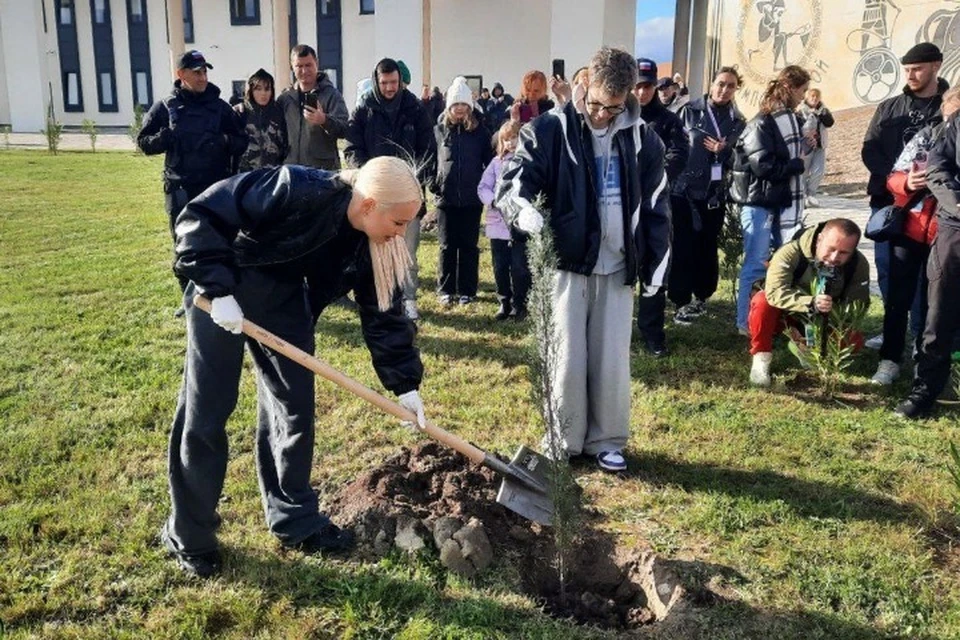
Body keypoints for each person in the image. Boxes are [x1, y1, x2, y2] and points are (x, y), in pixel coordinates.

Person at [160, 156, 427, 577]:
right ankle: (190, 534)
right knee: (208, 409)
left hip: (283, 301)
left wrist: (405, 384)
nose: (401, 235)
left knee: (294, 407)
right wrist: (217, 286)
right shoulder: (295, 187)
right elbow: (202, 213)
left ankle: (294, 519)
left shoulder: (372, 244)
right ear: (370, 204)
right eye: (398, 223)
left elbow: (384, 315)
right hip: (223, 290)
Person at [496, 46, 670, 472]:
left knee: (612, 357)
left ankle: (608, 439)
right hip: (568, 262)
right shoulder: (550, 129)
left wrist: (656, 264)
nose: (601, 116)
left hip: (617, 266)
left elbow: (657, 204)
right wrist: (526, 211)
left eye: (612, 108)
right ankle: (563, 435)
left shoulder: (643, 139)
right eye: (594, 104)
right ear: (585, 84)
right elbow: (513, 181)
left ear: (628, 96)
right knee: (567, 353)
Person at [137, 50, 248, 293]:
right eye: (197, 72)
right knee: (184, 246)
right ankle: (188, 298)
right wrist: (163, 139)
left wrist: (224, 142)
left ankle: (220, 292)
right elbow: (143, 142)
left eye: (205, 71)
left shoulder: (219, 108)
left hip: (214, 189)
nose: (202, 77)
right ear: (181, 74)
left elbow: (242, 141)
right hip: (181, 190)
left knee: (220, 243)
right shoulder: (166, 107)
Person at [861, 42, 947, 348]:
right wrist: (896, 179)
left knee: (930, 278)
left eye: (917, 69)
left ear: (936, 65)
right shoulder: (889, 106)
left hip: (934, 208)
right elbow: (870, 149)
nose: (910, 75)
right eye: (907, 70)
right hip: (888, 202)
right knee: (889, 271)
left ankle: (920, 336)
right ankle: (892, 331)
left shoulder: (949, 107)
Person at [872, 87, 960, 386]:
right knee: (898, 299)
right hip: (910, 228)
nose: (953, 123)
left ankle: (924, 364)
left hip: (946, 236)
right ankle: (889, 359)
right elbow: (893, 176)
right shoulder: (925, 136)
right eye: (950, 116)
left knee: (932, 305)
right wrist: (907, 182)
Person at [346, 58, 436, 320]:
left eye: (393, 82)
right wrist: (367, 175)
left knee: (407, 251)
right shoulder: (364, 107)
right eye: (384, 83)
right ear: (376, 80)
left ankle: (407, 300)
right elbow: (353, 147)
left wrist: (416, 177)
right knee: (372, 249)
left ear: (400, 81)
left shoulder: (414, 108)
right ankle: (375, 300)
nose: (389, 88)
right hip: (374, 195)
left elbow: (427, 147)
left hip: (407, 192)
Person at [731, 65, 812, 335]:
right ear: (789, 88)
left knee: (779, 264)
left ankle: (771, 320)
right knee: (756, 263)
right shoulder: (762, 123)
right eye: (801, 90)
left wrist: (805, 149)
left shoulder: (786, 120)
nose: (803, 97)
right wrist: (796, 165)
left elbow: (781, 156)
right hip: (758, 204)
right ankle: (746, 323)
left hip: (776, 201)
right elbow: (763, 167)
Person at [895, 98, 960, 418]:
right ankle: (925, 389)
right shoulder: (955, 126)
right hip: (955, 231)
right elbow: (938, 168)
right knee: (939, 317)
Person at [748, 219, 870, 385]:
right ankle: (761, 357)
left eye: (843, 253)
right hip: (787, 314)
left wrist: (832, 314)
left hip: (825, 318)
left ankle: (808, 349)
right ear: (819, 239)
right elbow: (775, 292)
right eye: (831, 249)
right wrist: (811, 303)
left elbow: (858, 306)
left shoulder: (858, 264)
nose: (834, 257)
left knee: (854, 340)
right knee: (761, 301)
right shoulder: (791, 252)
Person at [669, 66, 746, 326]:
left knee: (706, 246)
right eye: (721, 83)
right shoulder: (688, 111)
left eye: (731, 86)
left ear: (736, 89)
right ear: (711, 83)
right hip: (683, 192)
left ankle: (701, 296)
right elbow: (673, 146)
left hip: (713, 194)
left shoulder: (739, 122)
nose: (724, 90)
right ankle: (679, 301)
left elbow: (743, 160)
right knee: (682, 246)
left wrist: (725, 151)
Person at [632, 58, 689, 357]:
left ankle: (652, 333)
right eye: (637, 86)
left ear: (656, 87)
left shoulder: (669, 121)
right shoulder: (621, 118)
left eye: (647, 86)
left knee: (656, 266)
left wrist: (655, 179)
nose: (641, 93)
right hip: (624, 204)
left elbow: (680, 153)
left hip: (656, 204)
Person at [431, 77, 494, 305]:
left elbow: (490, 163)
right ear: (449, 107)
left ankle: (467, 290)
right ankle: (445, 289)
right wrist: (434, 184)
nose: (459, 109)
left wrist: (485, 188)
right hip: (445, 200)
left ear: (469, 107)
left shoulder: (480, 133)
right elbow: (431, 160)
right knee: (447, 246)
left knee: (468, 246)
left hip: (471, 200)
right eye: (455, 105)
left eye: (463, 105)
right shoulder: (438, 131)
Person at [478, 120, 529, 320]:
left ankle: (520, 302)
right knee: (500, 265)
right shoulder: (495, 163)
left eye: (514, 138)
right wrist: (494, 202)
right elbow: (483, 187)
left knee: (520, 266)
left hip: (519, 225)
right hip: (497, 224)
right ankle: (503, 301)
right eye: (506, 140)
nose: (511, 143)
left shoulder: (528, 162)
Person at [277, 44, 349, 170]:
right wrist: (243, 107)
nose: (304, 71)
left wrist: (324, 120)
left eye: (308, 65)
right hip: (291, 172)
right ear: (292, 67)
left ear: (317, 63)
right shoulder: (285, 98)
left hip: (322, 173)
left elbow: (345, 129)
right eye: (299, 66)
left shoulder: (331, 95)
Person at [233, 68, 288, 173]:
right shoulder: (241, 113)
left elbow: (284, 146)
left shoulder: (279, 113)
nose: (263, 93)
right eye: (258, 89)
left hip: (272, 176)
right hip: (245, 177)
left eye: (267, 89)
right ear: (251, 90)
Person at [795, 87, 834, 207]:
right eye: (812, 96)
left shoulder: (823, 110)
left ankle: (811, 194)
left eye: (817, 96)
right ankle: (803, 196)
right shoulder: (801, 111)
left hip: (819, 145)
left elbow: (830, 123)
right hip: (806, 146)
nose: (815, 98)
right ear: (807, 97)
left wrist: (821, 114)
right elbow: (796, 127)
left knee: (819, 171)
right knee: (804, 172)